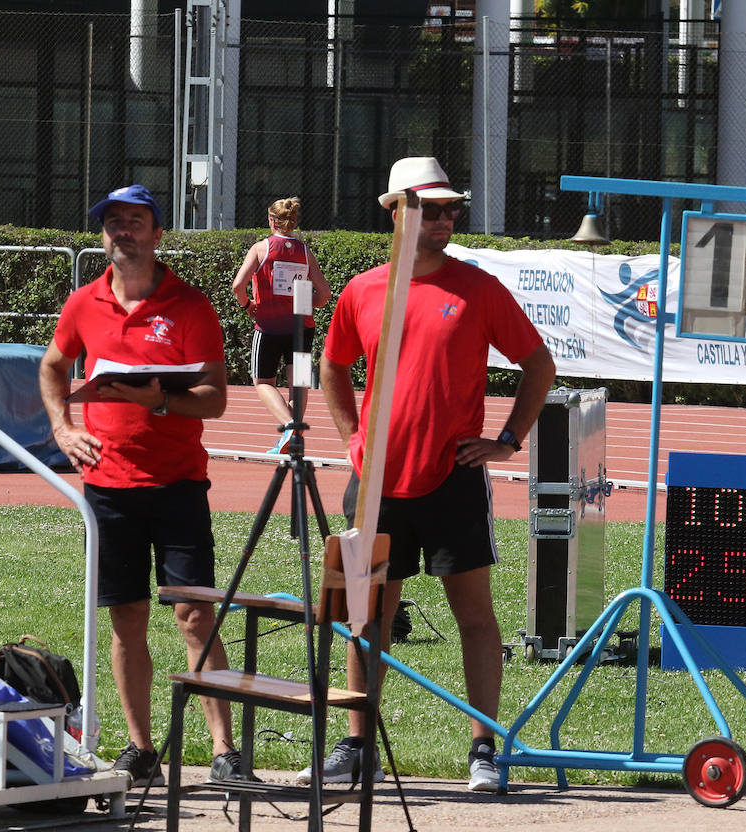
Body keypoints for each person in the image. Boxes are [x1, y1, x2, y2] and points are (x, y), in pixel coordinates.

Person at [303, 157, 555, 793]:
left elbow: (537, 365)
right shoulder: (362, 291)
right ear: (396, 212)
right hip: (376, 486)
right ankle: (355, 744)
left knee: (475, 615)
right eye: (431, 208)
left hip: (452, 483)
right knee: (363, 614)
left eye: (451, 209)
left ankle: (482, 750)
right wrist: (351, 437)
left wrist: (506, 440)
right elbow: (332, 367)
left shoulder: (479, 288)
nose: (445, 219)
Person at [37, 184, 251, 786]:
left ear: (158, 234)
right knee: (125, 618)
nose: (122, 232)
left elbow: (213, 399)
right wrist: (62, 427)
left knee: (194, 616)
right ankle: (140, 747)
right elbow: (53, 365)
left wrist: (158, 400)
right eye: (112, 223)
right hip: (107, 488)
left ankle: (223, 750)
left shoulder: (189, 304)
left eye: (134, 221)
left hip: (178, 484)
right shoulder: (83, 302)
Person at [231, 197, 332, 453]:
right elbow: (324, 296)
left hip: (268, 327)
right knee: (297, 381)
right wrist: (304, 302)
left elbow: (237, 286)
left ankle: (289, 425)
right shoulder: (305, 252)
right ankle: (294, 434)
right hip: (301, 328)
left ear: (271, 221)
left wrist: (247, 305)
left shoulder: (260, 249)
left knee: (263, 382)